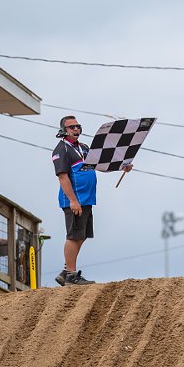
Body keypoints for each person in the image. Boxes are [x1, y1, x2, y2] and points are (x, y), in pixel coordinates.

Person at [51, 115, 132, 286]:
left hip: (87, 199)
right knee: (73, 236)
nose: (76, 129)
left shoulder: (84, 148)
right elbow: (63, 177)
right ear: (63, 131)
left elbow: (101, 165)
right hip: (75, 199)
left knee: (82, 235)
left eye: (78, 126)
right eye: (72, 127)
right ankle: (71, 275)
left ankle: (67, 271)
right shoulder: (61, 150)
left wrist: (121, 166)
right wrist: (73, 200)